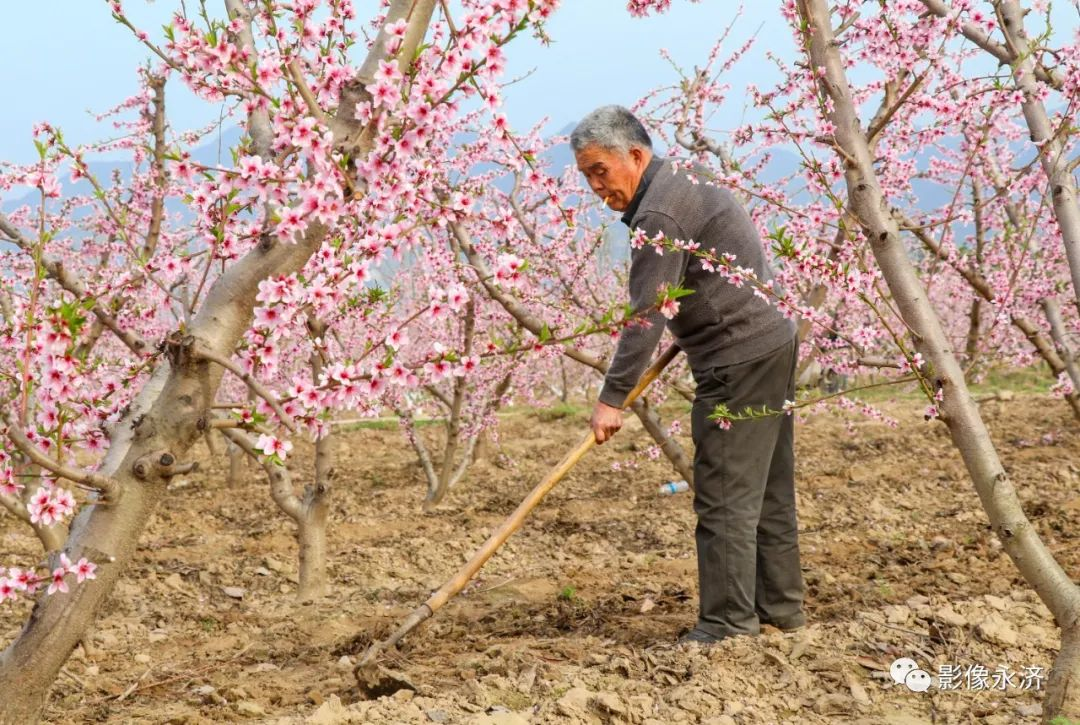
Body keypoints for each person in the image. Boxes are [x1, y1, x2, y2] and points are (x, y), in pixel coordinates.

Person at [571, 105, 805, 645]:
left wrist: (613, 397)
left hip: (737, 359)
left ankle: (727, 624)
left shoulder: (661, 214)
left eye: (600, 171)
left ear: (634, 155)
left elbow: (646, 314)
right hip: (768, 342)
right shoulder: (681, 183)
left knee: (724, 495)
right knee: (767, 490)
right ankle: (781, 611)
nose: (595, 186)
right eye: (586, 176)